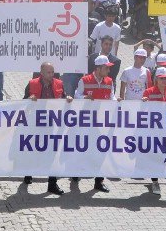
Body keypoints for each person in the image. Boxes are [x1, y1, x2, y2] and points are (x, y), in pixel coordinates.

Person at [72, 55, 115, 193]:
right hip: (85, 121)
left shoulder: (109, 81)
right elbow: (76, 96)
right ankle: (76, 173)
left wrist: (117, 101)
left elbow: (112, 96)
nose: (108, 71)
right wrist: (85, 97)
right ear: (98, 68)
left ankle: (99, 181)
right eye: (106, 68)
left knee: (101, 151)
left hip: (102, 122)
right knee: (82, 149)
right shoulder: (84, 80)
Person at [23, 62, 67, 195]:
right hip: (35, 124)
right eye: (48, 72)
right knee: (33, 151)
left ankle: (52, 184)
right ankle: (28, 173)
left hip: (52, 123)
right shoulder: (32, 84)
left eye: (52, 72)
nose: (51, 74)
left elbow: (63, 98)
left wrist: (68, 99)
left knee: (51, 153)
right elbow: (23, 102)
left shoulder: (59, 83)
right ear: (41, 72)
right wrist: (29, 100)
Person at [142, 66, 166, 195]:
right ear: (156, 79)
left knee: (163, 155)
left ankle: (156, 175)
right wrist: (144, 103)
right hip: (153, 130)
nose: (165, 81)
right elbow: (143, 111)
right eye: (162, 79)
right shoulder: (148, 92)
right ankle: (155, 181)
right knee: (155, 155)